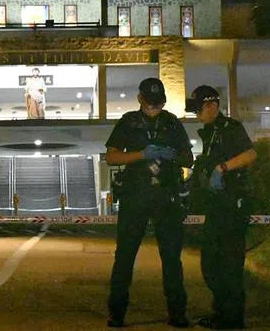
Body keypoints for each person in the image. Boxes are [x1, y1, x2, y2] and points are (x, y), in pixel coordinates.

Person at [105, 77, 193, 328]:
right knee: (124, 256)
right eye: (150, 103)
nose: (154, 108)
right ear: (140, 99)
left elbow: (188, 158)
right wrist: (141, 155)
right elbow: (111, 156)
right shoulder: (128, 122)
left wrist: (173, 156)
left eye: (158, 103)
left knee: (172, 258)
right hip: (135, 195)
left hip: (166, 195)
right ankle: (117, 313)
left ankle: (177, 313)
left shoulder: (171, 122)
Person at [190, 85, 257, 329]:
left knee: (229, 264)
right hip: (216, 207)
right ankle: (221, 313)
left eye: (199, 109)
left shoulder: (231, 128)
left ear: (212, 106)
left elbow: (250, 154)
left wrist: (223, 168)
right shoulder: (210, 133)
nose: (197, 115)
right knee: (211, 264)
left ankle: (233, 319)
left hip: (232, 205)